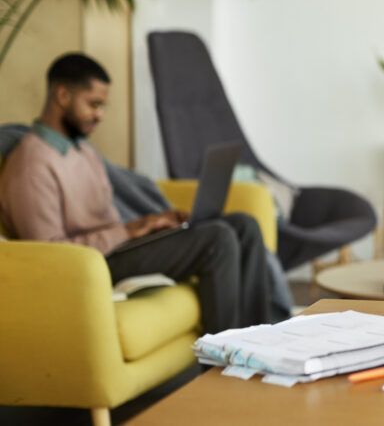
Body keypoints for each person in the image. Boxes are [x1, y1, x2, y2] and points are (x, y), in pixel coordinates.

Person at [0, 53, 272, 333]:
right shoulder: (31, 165)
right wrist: (128, 231)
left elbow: (106, 218)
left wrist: (154, 226)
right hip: (94, 266)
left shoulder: (84, 150)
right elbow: (51, 257)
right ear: (63, 96)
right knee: (217, 238)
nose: (99, 115)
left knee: (243, 225)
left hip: (119, 248)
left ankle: (260, 343)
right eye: (93, 104)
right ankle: (228, 360)